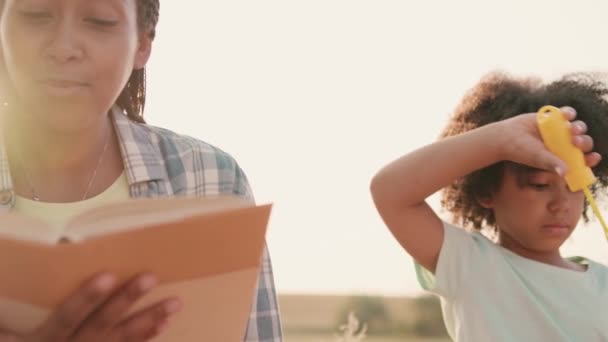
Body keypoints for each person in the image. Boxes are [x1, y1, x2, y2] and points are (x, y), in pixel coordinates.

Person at [0, 0, 282, 341]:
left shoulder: (208, 179)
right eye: (36, 16)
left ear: (143, 44)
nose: (63, 47)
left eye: (100, 22)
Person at [370, 72, 608, 341]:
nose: (560, 204)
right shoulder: (470, 265)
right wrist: (501, 140)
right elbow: (390, 191)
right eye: (540, 185)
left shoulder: (603, 285)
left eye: (575, 185)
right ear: (486, 190)